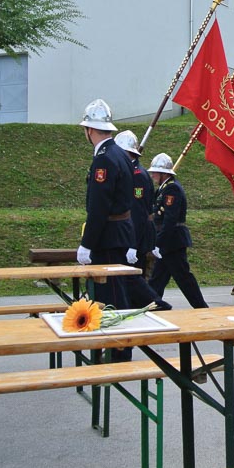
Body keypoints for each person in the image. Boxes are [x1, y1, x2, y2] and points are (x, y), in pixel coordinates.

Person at [77, 98, 135, 361]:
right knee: (116, 293)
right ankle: (118, 350)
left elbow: (99, 207)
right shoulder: (119, 154)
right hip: (119, 232)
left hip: (108, 236)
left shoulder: (104, 160)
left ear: (89, 130)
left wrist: (87, 243)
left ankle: (118, 353)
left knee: (110, 297)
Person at [114, 130, 172, 311]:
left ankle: (157, 304)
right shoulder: (130, 172)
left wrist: (132, 244)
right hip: (134, 234)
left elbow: (138, 212)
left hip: (136, 235)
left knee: (131, 277)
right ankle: (140, 311)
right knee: (129, 279)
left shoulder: (137, 175)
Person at [147, 153, 209, 309]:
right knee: (157, 279)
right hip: (168, 241)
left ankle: (202, 308)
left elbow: (170, 219)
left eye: (155, 172)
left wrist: (159, 243)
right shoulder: (163, 188)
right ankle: (152, 306)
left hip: (172, 241)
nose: (152, 175)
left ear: (163, 173)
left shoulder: (172, 189)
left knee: (183, 278)